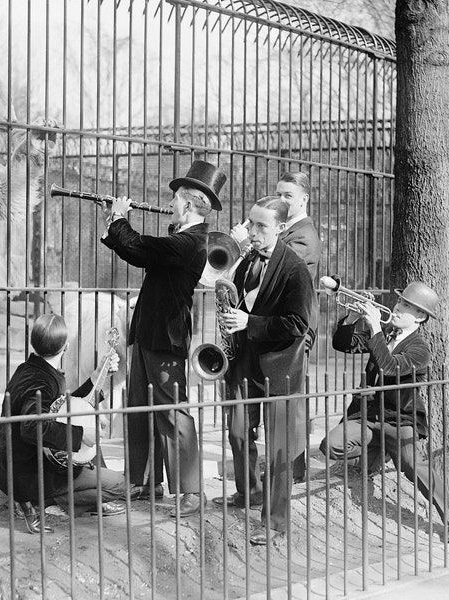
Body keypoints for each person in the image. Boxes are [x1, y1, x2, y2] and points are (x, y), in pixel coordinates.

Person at [100, 160, 227, 517]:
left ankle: (190, 491)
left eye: (174, 200)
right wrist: (113, 224)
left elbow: (139, 246)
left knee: (173, 412)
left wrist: (120, 217)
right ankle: (142, 481)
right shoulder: (179, 237)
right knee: (138, 408)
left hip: (166, 337)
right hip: (146, 333)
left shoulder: (191, 241)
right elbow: (135, 250)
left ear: (188, 204)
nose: (170, 204)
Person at [319, 281, 449, 543]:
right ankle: (376, 451)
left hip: (400, 419)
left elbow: (389, 367)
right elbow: (342, 344)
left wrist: (374, 329)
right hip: (368, 416)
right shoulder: (385, 334)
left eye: (407, 306)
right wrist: (353, 317)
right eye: (400, 301)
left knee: (414, 465)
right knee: (331, 446)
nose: (398, 307)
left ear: (421, 317)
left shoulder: (419, 350)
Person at [217, 196, 314, 544]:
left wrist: (249, 322)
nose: (253, 232)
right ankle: (250, 492)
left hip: (280, 367)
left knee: (278, 451)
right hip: (245, 362)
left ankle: (274, 523)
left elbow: (298, 323)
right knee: (239, 433)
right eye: (251, 223)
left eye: (262, 227)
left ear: (282, 228)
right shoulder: (246, 262)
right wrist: (234, 322)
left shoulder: (295, 269)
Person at [0, 314, 126, 533]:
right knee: (119, 485)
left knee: (88, 444)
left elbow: (62, 409)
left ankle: (47, 498)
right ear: (65, 347)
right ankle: (48, 500)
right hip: (30, 474)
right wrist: (80, 434)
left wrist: (98, 375)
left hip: (21, 466)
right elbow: (32, 427)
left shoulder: (29, 370)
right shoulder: (41, 382)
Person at [276, 171, 322, 483]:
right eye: (277, 193)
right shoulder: (286, 230)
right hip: (281, 325)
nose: (280, 200)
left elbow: (279, 273)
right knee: (284, 399)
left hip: (295, 327)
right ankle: (291, 468)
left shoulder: (303, 235)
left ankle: (292, 471)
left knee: (290, 401)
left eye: (287, 195)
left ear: (303, 199)